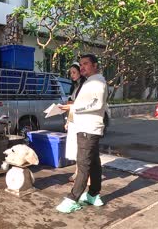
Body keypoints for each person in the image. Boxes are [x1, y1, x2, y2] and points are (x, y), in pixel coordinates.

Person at [56, 54, 107, 213]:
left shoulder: (97, 81)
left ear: (95, 65)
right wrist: (73, 106)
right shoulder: (90, 82)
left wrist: (73, 108)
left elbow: (96, 104)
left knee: (83, 164)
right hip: (86, 128)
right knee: (94, 163)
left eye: (86, 64)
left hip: (88, 129)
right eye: (81, 64)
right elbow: (86, 102)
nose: (82, 67)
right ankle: (93, 194)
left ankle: (73, 198)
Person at [64, 62, 87, 182]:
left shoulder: (85, 86)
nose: (72, 75)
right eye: (70, 73)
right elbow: (71, 104)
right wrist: (68, 120)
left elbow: (81, 105)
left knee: (81, 148)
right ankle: (77, 172)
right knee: (74, 147)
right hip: (74, 119)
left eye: (74, 72)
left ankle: (81, 173)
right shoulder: (74, 86)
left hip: (82, 120)